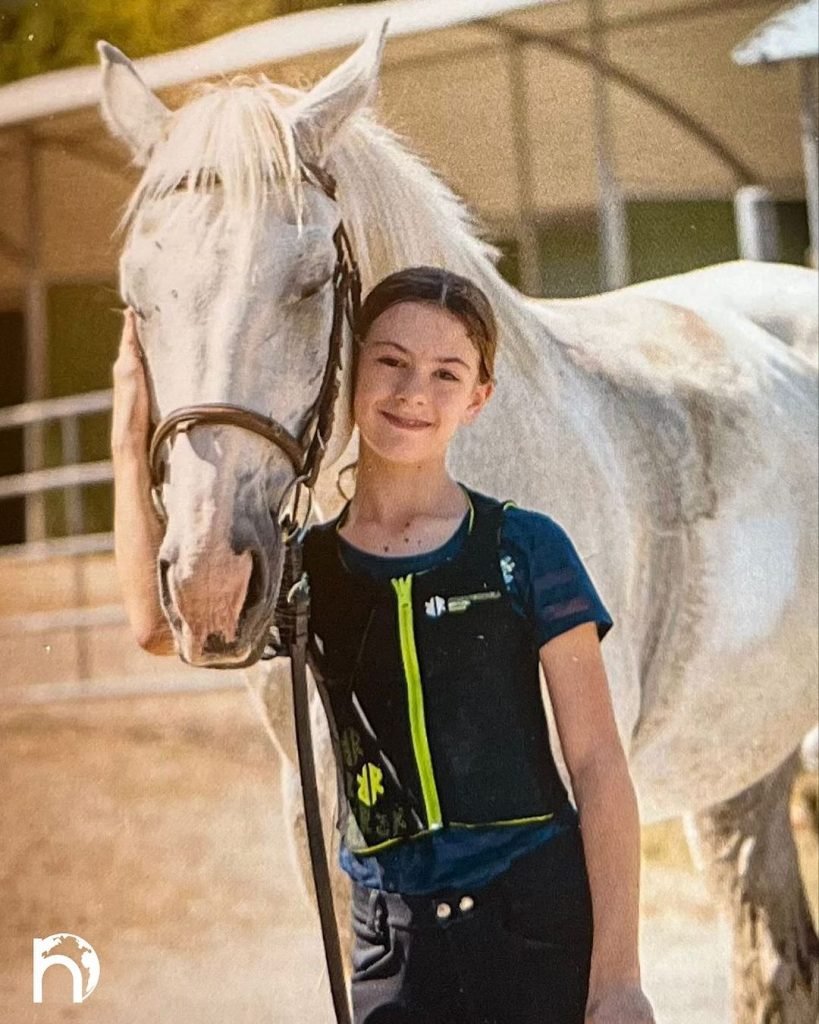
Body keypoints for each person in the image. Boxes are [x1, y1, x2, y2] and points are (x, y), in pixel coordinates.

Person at [112, 266, 656, 1024]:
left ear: (478, 399)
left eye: (446, 374)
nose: (412, 393)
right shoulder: (306, 568)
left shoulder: (525, 548)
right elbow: (156, 625)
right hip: (391, 948)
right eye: (391, 361)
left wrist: (618, 979)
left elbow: (598, 764)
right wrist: (127, 438)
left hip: (537, 925)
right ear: (350, 372)